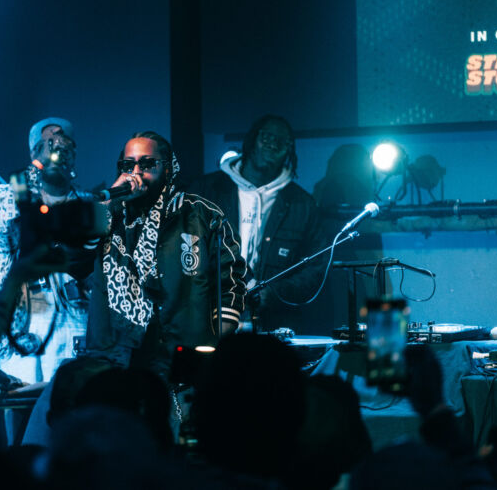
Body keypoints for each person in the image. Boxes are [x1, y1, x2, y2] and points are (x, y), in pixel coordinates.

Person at [86, 131, 247, 378]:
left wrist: (212, 343)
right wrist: (109, 202)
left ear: (168, 169)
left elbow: (231, 283)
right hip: (117, 358)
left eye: (147, 163)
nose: (136, 172)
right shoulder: (108, 218)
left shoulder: (200, 215)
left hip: (182, 359)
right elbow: (75, 258)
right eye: (128, 165)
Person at [0, 117, 96, 384]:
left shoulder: (88, 203)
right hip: (24, 329)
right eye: (46, 143)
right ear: (33, 153)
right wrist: (39, 165)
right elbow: (14, 205)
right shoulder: (5, 196)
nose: (56, 148)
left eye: (63, 142)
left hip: (74, 329)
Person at [190, 115, 327, 334]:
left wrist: (272, 293)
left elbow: (316, 267)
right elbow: (183, 247)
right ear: (252, 139)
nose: (273, 144)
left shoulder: (302, 204)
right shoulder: (208, 190)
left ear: (289, 150)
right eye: (267, 137)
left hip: (271, 324)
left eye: (281, 141)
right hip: (209, 317)